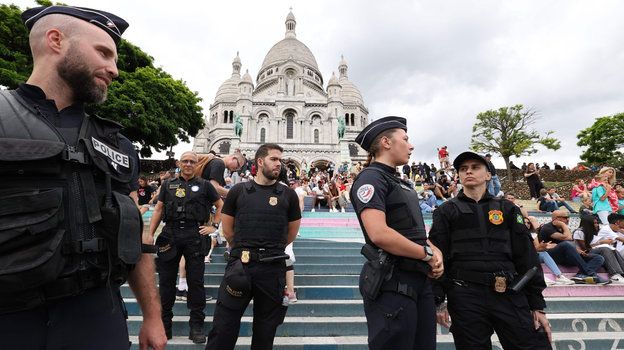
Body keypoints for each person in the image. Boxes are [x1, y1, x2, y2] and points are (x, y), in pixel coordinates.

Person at [0, 6, 167, 349]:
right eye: (103, 53)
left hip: (96, 318)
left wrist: (152, 316)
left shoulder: (116, 143)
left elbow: (132, 236)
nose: (114, 70)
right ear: (56, 41)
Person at [429, 151, 551, 349]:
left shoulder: (508, 209)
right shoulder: (446, 211)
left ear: (488, 175)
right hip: (464, 295)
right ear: (458, 176)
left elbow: (526, 255)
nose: (468, 171)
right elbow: (437, 258)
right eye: (463, 169)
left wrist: (537, 304)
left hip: (508, 291)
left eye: (475, 167)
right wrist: (438, 300)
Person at [350, 116, 444, 349]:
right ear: (386, 142)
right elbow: (379, 233)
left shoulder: (399, 181)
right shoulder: (371, 178)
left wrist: (434, 249)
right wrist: (426, 254)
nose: (411, 146)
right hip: (392, 281)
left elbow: (413, 230)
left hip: (417, 280)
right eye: (405, 139)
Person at [205, 143, 301, 350]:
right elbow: (228, 230)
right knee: (223, 329)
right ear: (260, 161)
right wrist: (243, 250)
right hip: (241, 266)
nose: (279, 165)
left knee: (265, 334)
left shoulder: (288, 195)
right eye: (274, 159)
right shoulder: (239, 191)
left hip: (272, 269)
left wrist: (270, 248)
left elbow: (291, 233)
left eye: (280, 160)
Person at [148, 151, 223, 343]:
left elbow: (220, 205)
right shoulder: (168, 184)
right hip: (170, 234)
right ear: (179, 163)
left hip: (194, 235)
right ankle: (165, 326)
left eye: (192, 161)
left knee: (196, 282)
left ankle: (196, 326)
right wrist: (149, 234)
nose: (188, 164)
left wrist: (213, 226)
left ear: (198, 165)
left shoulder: (205, 185)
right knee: (165, 282)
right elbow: (158, 209)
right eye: (185, 161)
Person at [538, 210, 610, 284]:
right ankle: (590, 273)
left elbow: (572, 244)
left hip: (567, 256)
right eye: (565, 218)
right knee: (566, 244)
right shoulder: (547, 228)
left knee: (598, 258)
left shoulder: (564, 229)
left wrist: (581, 253)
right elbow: (568, 238)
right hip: (551, 255)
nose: (568, 219)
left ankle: (580, 275)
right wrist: (563, 225)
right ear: (557, 219)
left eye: (568, 217)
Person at [574, 215, 624, 284]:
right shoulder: (579, 232)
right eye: (594, 223)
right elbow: (585, 248)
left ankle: (622, 272)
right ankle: (614, 274)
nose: (597, 225)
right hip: (584, 253)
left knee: (613, 250)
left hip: (594, 251)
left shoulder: (594, 231)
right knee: (605, 249)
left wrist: (606, 243)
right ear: (588, 223)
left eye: (597, 223)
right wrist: (601, 242)